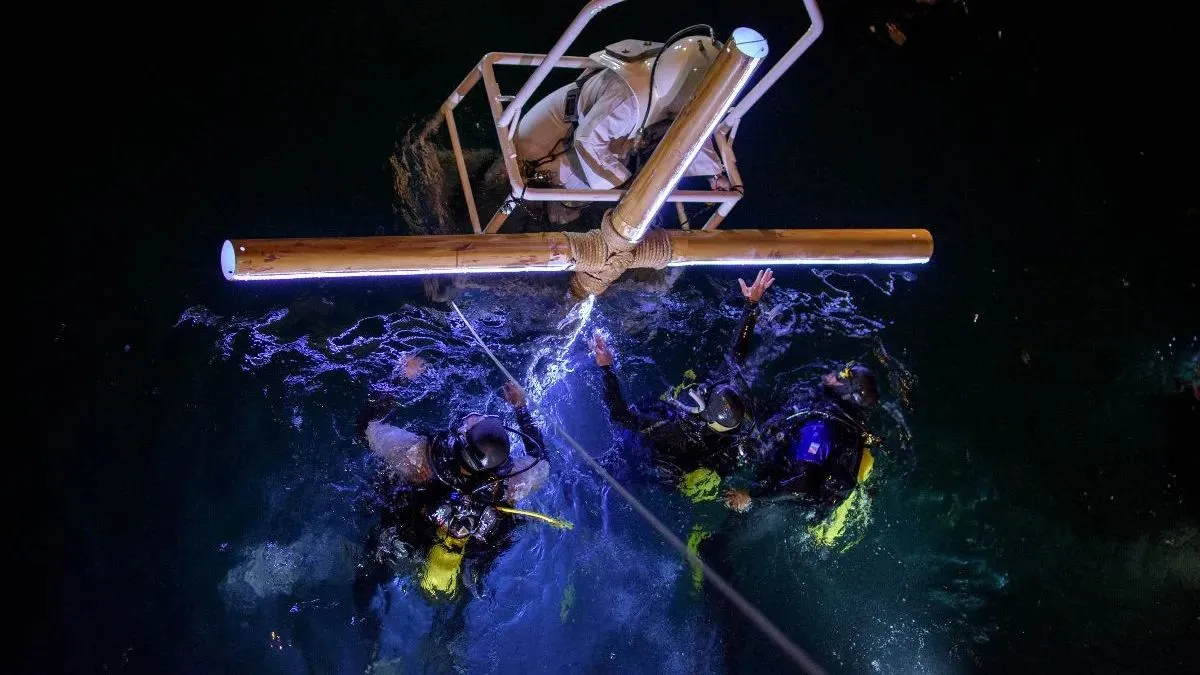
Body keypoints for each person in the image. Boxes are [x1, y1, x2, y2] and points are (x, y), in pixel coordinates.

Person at [354, 380, 553, 605]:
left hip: (408, 540)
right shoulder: (512, 483)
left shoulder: (418, 458)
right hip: (468, 555)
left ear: (460, 445)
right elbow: (542, 458)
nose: (473, 419)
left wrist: (400, 380)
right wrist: (521, 409)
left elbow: (365, 426)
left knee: (372, 567)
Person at [590, 269, 774, 505]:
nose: (706, 390)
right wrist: (751, 305)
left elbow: (619, 415)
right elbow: (736, 354)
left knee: (626, 457)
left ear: (705, 411)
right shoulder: (729, 430)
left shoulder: (674, 431)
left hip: (661, 460)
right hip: (700, 458)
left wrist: (606, 368)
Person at [515, 30, 732, 225]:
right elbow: (587, 140)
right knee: (554, 217)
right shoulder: (629, 99)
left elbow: (688, 121)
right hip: (544, 152)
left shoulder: (669, 77)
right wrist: (628, 188)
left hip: (575, 145)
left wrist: (713, 174)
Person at [726, 361, 883, 547]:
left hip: (783, 498)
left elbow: (802, 485)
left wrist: (752, 496)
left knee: (725, 540)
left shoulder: (821, 428)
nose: (833, 374)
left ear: (846, 392)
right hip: (807, 495)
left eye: (840, 376)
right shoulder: (846, 424)